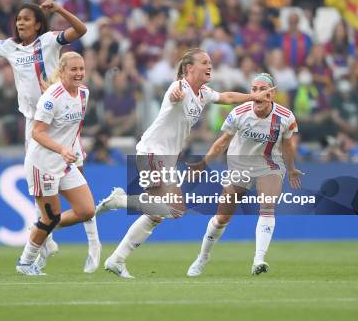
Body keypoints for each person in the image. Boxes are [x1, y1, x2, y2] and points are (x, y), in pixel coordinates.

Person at [96, 48, 275, 278]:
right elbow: (174, 95)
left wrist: (252, 97)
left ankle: (117, 260)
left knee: (157, 214)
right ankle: (118, 201)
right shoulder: (178, 87)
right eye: (204, 62)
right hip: (152, 152)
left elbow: (227, 97)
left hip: (166, 158)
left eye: (210, 62)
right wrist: (175, 96)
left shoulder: (203, 93)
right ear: (190, 68)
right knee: (175, 209)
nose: (209, 66)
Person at [0, 0, 101, 273]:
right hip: (37, 123)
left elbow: (80, 30)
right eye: (18, 19)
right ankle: (42, 236)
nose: (20, 22)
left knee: (80, 202)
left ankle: (56, 233)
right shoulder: (10, 47)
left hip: (63, 119)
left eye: (27, 19)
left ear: (39, 23)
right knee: (48, 201)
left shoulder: (50, 41)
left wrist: (60, 10)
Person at [186, 73, 303, 276]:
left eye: (261, 89)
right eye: (253, 89)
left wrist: (291, 169)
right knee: (222, 217)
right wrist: (204, 162)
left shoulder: (285, 117)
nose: (256, 93)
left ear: (271, 94)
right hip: (239, 165)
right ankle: (202, 257)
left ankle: (259, 259)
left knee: (267, 206)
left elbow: (288, 145)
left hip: (269, 165)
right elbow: (222, 142)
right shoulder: (240, 112)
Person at [16, 52, 97, 275]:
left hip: (64, 162)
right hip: (42, 163)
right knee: (50, 217)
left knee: (87, 210)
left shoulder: (84, 94)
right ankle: (25, 262)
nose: (79, 73)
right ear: (62, 71)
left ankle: (39, 227)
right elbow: (37, 133)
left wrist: (74, 151)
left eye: (82, 69)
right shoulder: (52, 97)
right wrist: (62, 149)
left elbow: (73, 130)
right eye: (74, 69)